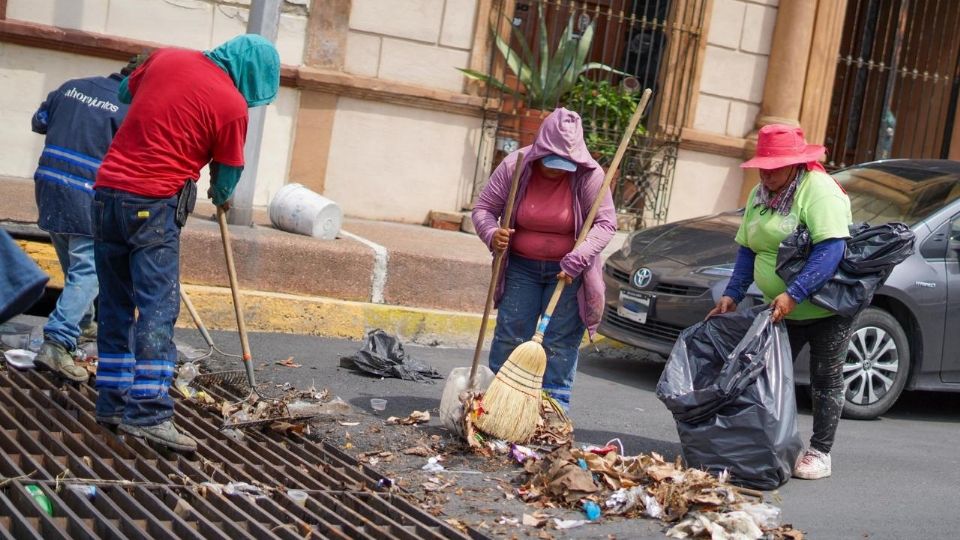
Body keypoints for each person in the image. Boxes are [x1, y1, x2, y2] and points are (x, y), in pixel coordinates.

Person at [92, 35, 280, 452]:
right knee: (157, 309)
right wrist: (220, 195)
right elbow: (228, 174)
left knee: (114, 303)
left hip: (106, 195)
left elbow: (126, 91)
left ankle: (111, 402)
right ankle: (149, 413)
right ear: (252, 75)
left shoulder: (168, 57)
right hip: (153, 204)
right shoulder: (231, 106)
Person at [707, 124, 853, 480]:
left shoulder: (819, 192)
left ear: (795, 164)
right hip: (782, 305)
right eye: (763, 168)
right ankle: (771, 441)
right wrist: (732, 293)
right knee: (770, 375)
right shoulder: (761, 194)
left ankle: (820, 451)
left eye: (774, 169)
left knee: (825, 378)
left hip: (825, 307)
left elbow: (830, 249)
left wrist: (795, 293)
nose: (767, 175)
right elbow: (748, 248)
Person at [472, 108, 617, 410]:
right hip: (521, 268)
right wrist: (492, 233)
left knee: (558, 344)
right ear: (540, 148)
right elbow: (484, 209)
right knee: (511, 334)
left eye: (565, 163)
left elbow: (606, 224)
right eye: (551, 160)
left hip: (568, 273)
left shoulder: (589, 175)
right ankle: (499, 405)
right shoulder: (517, 164)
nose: (557, 169)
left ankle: (552, 410)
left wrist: (578, 257)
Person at [30, 63, 133, 382]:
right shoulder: (130, 109)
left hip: (48, 184)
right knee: (89, 269)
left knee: (76, 266)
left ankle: (84, 323)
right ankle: (58, 341)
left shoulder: (71, 85)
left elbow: (40, 121)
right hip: (87, 192)